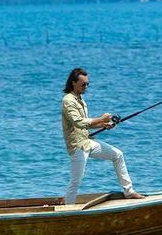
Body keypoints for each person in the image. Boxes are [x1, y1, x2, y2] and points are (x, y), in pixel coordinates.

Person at [61, 67, 145, 204]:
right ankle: (67, 209)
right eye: (83, 84)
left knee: (117, 155)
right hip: (77, 147)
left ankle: (129, 191)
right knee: (76, 180)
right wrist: (101, 119)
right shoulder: (68, 100)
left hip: (87, 142)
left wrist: (104, 125)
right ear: (73, 83)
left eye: (88, 84)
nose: (86, 87)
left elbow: (87, 124)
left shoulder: (80, 99)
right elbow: (78, 122)